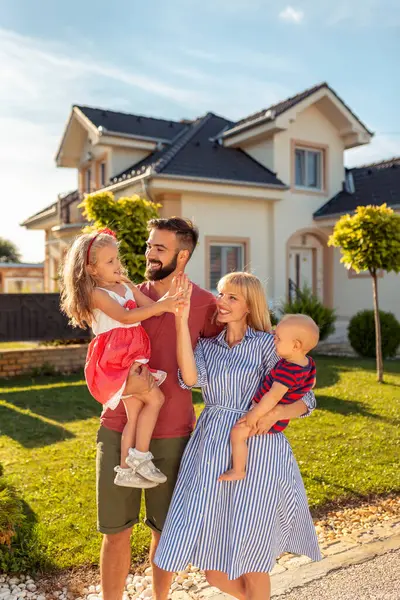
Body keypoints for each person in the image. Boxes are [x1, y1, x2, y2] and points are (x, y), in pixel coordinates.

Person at [155, 272, 322, 600]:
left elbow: (307, 397)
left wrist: (273, 413)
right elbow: (189, 378)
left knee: (251, 555)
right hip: (210, 446)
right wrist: (180, 321)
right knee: (214, 567)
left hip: (258, 448)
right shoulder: (206, 347)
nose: (222, 302)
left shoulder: (266, 344)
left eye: (232, 297)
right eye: (221, 294)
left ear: (249, 307)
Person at [91, 218, 221, 600]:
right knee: (116, 532)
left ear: (182, 255)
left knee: (163, 532)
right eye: (149, 246)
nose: (149, 253)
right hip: (118, 425)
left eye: (159, 248)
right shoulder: (121, 294)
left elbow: (229, 354)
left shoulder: (206, 303)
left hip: (175, 433)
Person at [60, 228, 185, 489]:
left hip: (133, 356)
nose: (118, 265)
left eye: (117, 258)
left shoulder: (125, 285)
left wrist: (170, 298)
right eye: (110, 262)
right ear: (92, 270)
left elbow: (146, 306)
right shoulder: (97, 294)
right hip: (115, 360)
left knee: (136, 412)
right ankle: (140, 456)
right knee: (156, 398)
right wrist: (161, 306)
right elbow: (127, 317)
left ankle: (126, 469)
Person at [219, 313, 319, 481]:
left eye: (278, 339)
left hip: (266, 413)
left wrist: (254, 415)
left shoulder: (287, 371)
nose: (274, 340)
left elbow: (272, 397)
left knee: (237, 434)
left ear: (295, 345)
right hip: (275, 414)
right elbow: (311, 383)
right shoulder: (306, 363)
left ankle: (238, 470)